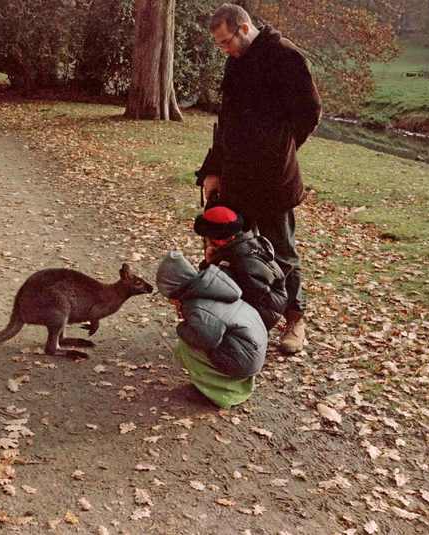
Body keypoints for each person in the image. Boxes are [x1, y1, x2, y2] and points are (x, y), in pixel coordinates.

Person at [195, 3, 322, 354]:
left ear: (245, 27)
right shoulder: (234, 63)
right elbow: (227, 122)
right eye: (219, 44)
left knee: (281, 250)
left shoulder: (285, 56)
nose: (224, 49)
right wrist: (212, 170)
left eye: (226, 41)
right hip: (237, 177)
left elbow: (309, 112)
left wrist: (282, 147)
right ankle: (245, 316)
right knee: (234, 248)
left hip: (272, 179)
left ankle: (296, 319)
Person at [156, 251, 268, 409]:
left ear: (175, 290)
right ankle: (234, 386)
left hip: (245, 360)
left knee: (186, 348)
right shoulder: (213, 289)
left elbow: (205, 340)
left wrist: (182, 327)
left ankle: (217, 393)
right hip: (253, 352)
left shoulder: (195, 305)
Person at [194, 205, 287, 330]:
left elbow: (249, 296)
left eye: (208, 237)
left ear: (223, 239)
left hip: (264, 312)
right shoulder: (233, 248)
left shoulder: (244, 261)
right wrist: (209, 263)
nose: (206, 241)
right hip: (255, 303)